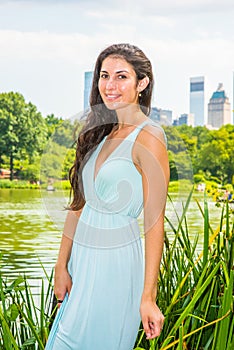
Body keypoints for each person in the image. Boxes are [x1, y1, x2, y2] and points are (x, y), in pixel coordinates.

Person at [45, 43, 169, 350]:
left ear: (142, 83)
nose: (110, 85)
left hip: (116, 265)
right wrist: (62, 266)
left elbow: (154, 223)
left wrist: (148, 297)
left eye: (121, 76)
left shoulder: (150, 137)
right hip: (81, 264)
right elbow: (78, 206)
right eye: (104, 76)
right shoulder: (98, 133)